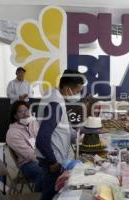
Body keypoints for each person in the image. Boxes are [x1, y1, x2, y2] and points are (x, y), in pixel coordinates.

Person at [35, 69, 85, 200]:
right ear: (68, 89)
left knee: (50, 192)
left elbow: (62, 128)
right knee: (50, 194)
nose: (78, 94)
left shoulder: (53, 95)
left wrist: (79, 133)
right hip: (52, 159)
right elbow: (42, 137)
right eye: (78, 91)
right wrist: (52, 162)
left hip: (52, 156)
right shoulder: (55, 104)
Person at [6, 100, 43, 192]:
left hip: (40, 157)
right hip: (27, 164)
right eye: (20, 111)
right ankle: (39, 196)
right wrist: (47, 161)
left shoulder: (33, 123)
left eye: (26, 110)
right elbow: (29, 155)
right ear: (15, 116)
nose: (25, 113)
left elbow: (42, 141)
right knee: (46, 172)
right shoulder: (12, 133)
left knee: (60, 167)